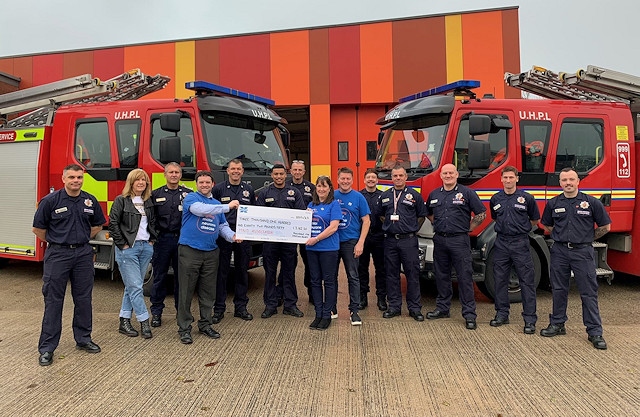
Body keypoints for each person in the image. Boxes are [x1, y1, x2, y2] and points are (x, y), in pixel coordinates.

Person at [32, 164, 106, 366]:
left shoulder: (90, 200)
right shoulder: (50, 201)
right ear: (63, 179)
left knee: (83, 299)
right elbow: (38, 229)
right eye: (72, 177)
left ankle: (83, 339)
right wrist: (59, 240)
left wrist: (80, 238)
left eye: (79, 177)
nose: (76, 180)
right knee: (53, 301)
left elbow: (98, 225)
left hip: (83, 253)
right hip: (58, 254)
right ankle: (47, 348)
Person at [539, 167, 611, 350]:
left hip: (583, 252)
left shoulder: (591, 203)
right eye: (564, 180)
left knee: (588, 292)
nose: (568, 183)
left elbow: (605, 226)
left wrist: (586, 239)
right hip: (560, 251)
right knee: (558, 289)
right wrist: (562, 236)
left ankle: (595, 332)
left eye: (571, 179)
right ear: (560, 183)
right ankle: (557, 323)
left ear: (578, 181)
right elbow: (546, 224)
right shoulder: (553, 203)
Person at [177, 170, 239, 344]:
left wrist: (233, 236)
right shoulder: (191, 199)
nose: (204, 185)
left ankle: (205, 324)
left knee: (208, 291)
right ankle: (184, 328)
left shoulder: (217, 204)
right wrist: (228, 206)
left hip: (211, 252)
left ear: (213, 184)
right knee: (186, 291)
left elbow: (222, 226)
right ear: (197, 184)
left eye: (207, 182)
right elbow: (200, 210)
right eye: (201, 182)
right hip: (190, 250)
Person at [426, 163, 486, 330]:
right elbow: (429, 213)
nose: (448, 176)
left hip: (459, 240)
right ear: (441, 176)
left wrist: (469, 228)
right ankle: (443, 308)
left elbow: (481, 213)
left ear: (457, 174)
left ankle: (469, 314)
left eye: (451, 173)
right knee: (441, 275)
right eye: (445, 173)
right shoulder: (434, 194)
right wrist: (437, 224)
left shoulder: (466, 193)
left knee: (464, 277)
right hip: (440, 240)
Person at [489, 166, 540, 334]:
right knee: (500, 280)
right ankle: (502, 314)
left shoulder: (527, 198)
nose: (508, 180)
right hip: (501, 243)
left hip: (520, 243)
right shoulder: (495, 199)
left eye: (512, 177)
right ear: (501, 179)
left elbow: (535, 220)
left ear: (517, 179)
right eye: (506, 178)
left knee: (526, 282)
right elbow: (495, 218)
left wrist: (520, 230)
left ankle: (530, 320)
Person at [109, 169, 158, 339]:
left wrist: (152, 241)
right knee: (137, 287)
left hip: (145, 247)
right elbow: (113, 223)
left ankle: (124, 320)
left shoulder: (148, 201)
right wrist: (122, 244)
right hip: (128, 248)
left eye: (144, 180)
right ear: (131, 182)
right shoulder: (121, 200)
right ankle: (144, 321)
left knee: (132, 286)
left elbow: (154, 222)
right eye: (137, 180)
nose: (141, 183)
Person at [376, 166, 427, 321]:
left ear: (406, 177)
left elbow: (422, 216)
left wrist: (411, 229)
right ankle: (394, 307)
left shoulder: (414, 195)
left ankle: (414, 308)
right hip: (390, 240)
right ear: (392, 178)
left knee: (412, 274)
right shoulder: (384, 196)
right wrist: (392, 227)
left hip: (409, 241)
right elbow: (380, 215)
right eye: (395, 175)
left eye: (400, 175)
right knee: (391, 274)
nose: (398, 178)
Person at [256, 164, 306, 319]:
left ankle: (290, 305)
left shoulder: (294, 192)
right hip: (270, 242)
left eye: (281, 174)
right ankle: (270, 305)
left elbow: (301, 214)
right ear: (272, 175)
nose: (278, 177)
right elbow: (259, 215)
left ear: (286, 175)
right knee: (270, 274)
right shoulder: (264, 193)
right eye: (276, 174)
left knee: (289, 273)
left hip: (289, 242)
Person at [211, 159, 255, 323]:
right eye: (233, 169)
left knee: (242, 271)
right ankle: (219, 309)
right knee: (221, 272)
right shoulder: (218, 189)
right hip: (224, 235)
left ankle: (241, 307)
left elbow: (253, 211)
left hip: (243, 235)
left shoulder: (248, 190)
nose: (236, 171)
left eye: (238, 169)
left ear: (242, 172)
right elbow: (213, 211)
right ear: (228, 171)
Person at [149, 162, 192, 327]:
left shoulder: (189, 194)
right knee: (159, 277)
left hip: (182, 240)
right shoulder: (155, 194)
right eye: (170, 172)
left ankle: (180, 312)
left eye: (177, 172)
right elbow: (151, 219)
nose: (174, 175)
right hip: (163, 240)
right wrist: (153, 237)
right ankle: (156, 313)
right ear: (165, 175)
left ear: (180, 175)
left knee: (181, 279)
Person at [334, 167, 370, 326]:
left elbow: (366, 221)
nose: (345, 181)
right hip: (332, 243)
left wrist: (361, 242)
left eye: (348, 179)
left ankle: (354, 311)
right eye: (342, 178)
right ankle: (331, 308)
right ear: (338, 179)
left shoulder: (359, 197)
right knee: (330, 277)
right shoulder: (331, 195)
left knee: (353, 277)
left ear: (352, 180)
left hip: (351, 242)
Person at [305, 176, 342, 330]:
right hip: (312, 249)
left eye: (324, 186)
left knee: (329, 281)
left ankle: (327, 314)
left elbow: (334, 227)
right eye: (319, 186)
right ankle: (318, 313)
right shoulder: (310, 205)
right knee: (314, 281)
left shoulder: (334, 205)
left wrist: (317, 239)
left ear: (329, 188)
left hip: (328, 249)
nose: (321, 189)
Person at [282, 159, 316, 304]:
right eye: (294, 170)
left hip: (306, 231)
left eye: (299, 170)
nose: (297, 172)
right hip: (287, 232)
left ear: (304, 172)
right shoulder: (283, 186)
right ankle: (282, 293)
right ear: (291, 171)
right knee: (288, 263)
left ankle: (312, 292)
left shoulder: (311, 187)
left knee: (309, 262)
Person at [358, 168, 387, 311]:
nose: (370, 180)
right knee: (361, 268)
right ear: (364, 180)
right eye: (368, 177)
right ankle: (363, 296)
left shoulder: (383, 196)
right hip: (363, 237)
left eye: (373, 178)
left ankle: (381, 298)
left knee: (381, 269)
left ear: (377, 180)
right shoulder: (358, 196)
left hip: (379, 237)